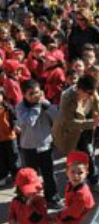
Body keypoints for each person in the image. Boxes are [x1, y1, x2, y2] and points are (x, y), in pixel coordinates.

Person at [52, 74, 99, 194]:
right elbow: (69, 122)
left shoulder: (90, 92)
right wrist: (91, 123)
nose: (90, 96)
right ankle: (73, 184)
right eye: (88, 93)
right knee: (73, 158)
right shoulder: (67, 98)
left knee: (88, 155)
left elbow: (96, 102)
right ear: (79, 90)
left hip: (85, 128)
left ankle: (94, 181)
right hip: (69, 132)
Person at [16, 79, 62, 209]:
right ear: (24, 95)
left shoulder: (44, 104)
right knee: (30, 176)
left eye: (37, 92)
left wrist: (46, 105)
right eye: (31, 94)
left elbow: (57, 117)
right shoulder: (20, 108)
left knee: (49, 175)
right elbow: (29, 122)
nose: (35, 96)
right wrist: (37, 106)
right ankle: (30, 199)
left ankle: (52, 198)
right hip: (29, 148)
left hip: (45, 145)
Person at [54, 151, 95, 224]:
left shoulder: (81, 194)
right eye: (72, 172)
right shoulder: (70, 185)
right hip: (77, 221)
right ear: (67, 172)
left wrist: (60, 216)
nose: (76, 176)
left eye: (80, 172)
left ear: (86, 173)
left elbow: (73, 213)